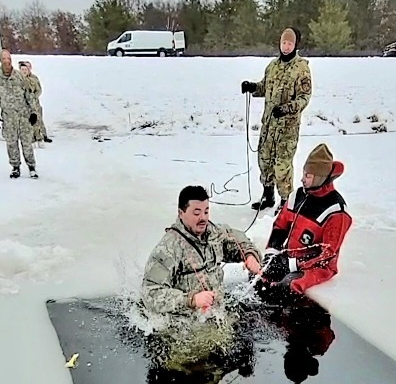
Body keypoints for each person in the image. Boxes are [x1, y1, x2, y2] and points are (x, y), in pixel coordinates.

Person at [141, 185, 262, 319]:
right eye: (196, 213)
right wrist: (191, 300)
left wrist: (250, 256)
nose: (203, 218)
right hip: (184, 326)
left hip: (216, 313)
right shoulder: (168, 249)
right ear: (181, 213)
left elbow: (239, 240)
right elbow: (150, 293)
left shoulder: (214, 233)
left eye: (206, 212)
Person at [260, 143, 352, 296]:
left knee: (285, 287)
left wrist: (290, 265)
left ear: (320, 178)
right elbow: (280, 226)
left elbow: (327, 253)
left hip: (318, 267)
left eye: (308, 176)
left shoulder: (337, 212)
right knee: (260, 276)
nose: (302, 179)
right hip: (290, 257)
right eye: (304, 173)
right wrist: (271, 255)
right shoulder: (297, 196)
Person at [241, 27, 312, 211]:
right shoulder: (272, 66)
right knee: (265, 161)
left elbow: (304, 98)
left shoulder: (301, 68)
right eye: (283, 43)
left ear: (296, 45)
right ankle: (268, 196)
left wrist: (287, 109)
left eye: (289, 43)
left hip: (287, 128)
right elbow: (264, 87)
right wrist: (252, 87)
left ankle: (285, 203)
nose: (286, 46)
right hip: (269, 126)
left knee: (282, 166)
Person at [0, 49, 39, 179]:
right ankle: (15, 167)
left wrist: (34, 112)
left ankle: (32, 167)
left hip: (23, 116)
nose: (7, 61)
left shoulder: (19, 76)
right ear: (0, 60)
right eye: (4, 59)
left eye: (8, 58)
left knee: (27, 143)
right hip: (8, 117)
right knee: (11, 143)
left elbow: (29, 95)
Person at [19, 61, 52, 146]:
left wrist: (34, 97)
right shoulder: (18, 79)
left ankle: (41, 136)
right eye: (22, 69)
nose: (25, 71)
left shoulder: (33, 78)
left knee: (38, 120)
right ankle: (31, 138)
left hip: (34, 103)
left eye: (26, 68)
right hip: (24, 105)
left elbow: (39, 90)